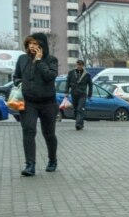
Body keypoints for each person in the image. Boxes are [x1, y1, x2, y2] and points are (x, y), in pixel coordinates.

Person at [13, 33, 59, 175]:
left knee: (49, 134)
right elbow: (16, 77)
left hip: (48, 103)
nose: (31, 46)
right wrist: (20, 82)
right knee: (28, 131)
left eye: (34, 43)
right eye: (29, 43)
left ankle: (52, 160)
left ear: (41, 45)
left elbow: (49, 77)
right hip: (28, 103)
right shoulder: (22, 59)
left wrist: (39, 62)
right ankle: (30, 165)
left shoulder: (51, 60)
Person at [66, 59, 93, 131]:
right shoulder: (71, 73)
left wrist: (90, 94)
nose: (79, 66)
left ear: (83, 66)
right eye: (78, 64)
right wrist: (66, 92)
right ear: (76, 65)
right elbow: (67, 83)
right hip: (74, 93)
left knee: (79, 109)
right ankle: (81, 123)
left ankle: (78, 125)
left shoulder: (87, 74)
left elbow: (90, 85)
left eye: (80, 65)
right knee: (75, 109)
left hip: (82, 94)